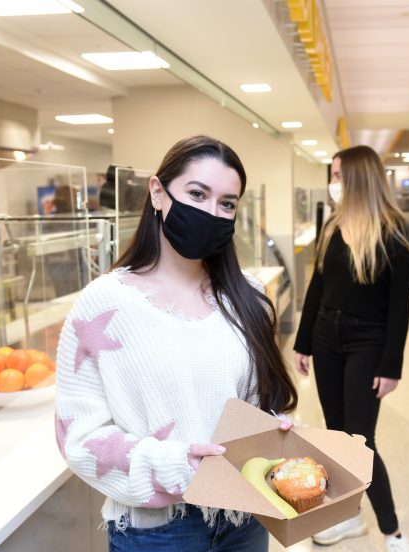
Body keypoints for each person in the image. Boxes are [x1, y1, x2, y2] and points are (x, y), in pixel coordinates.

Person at [54, 136, 298, 551]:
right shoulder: (106, 304)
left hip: (246, 516)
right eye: (197, 194)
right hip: (160, 530)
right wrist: (177, 466)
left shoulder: (248, 295)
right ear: (157, 193)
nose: (212, 212)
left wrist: (274, 430)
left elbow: (258, 399)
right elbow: (78, 436)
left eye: (227, 203)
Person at [293, 145, 409, 552]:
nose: (333, 182)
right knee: (336, 435)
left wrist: (391, 364)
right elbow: (317, 286)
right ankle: (347, 517)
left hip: (369, 342)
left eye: (338, 175)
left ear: (359, 178)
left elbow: (400, 307)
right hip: (328, 337)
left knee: (360, 440)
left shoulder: (396, 232)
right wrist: (304, 341)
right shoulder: (332, 226)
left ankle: (392, 530)